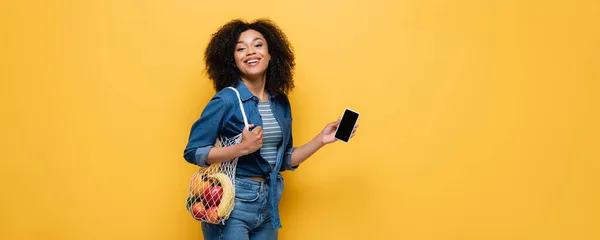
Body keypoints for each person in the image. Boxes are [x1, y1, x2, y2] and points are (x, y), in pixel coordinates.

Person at [183, 18, 358, 240]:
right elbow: (193, 151)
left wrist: (321, 140)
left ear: (270, 53)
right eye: (240, 48)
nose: (250, 52)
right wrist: (240, 149)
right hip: (231, 202)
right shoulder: (226, 100)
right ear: (232, 59)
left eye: (258, 45)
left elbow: (283, 160)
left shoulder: (280, 102)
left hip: (269, 201)